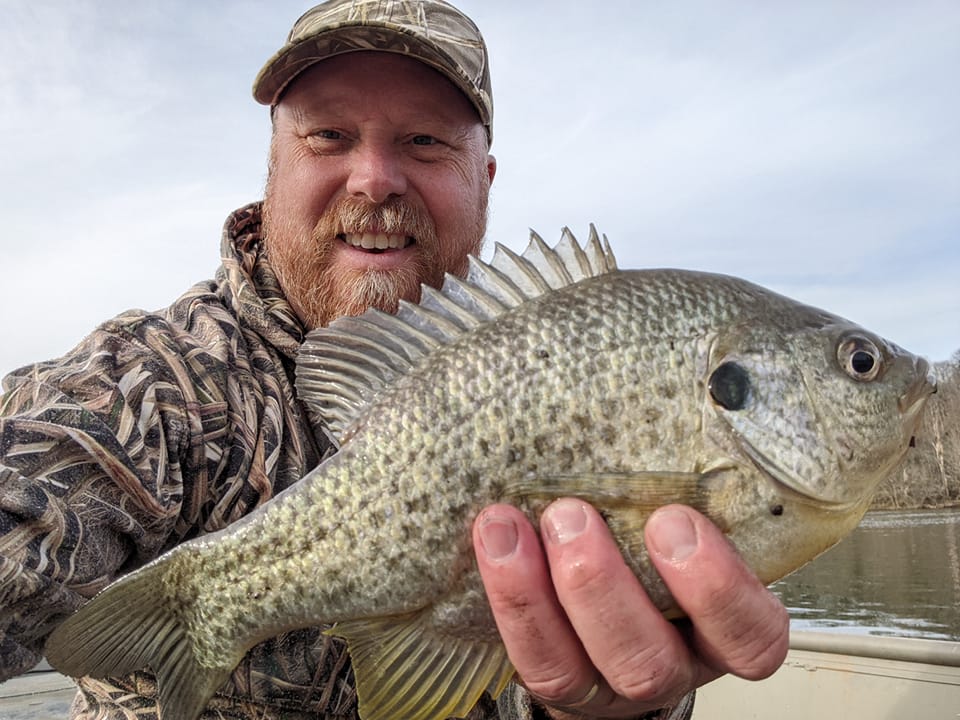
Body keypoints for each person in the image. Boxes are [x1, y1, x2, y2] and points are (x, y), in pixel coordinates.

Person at [0, 1, 789, 718]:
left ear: (482, 181)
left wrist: (615, 708)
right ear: (274, 171)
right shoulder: (149, 383)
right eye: (329, 136)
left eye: (423, 141)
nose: (376, 178)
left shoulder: (547, 350)